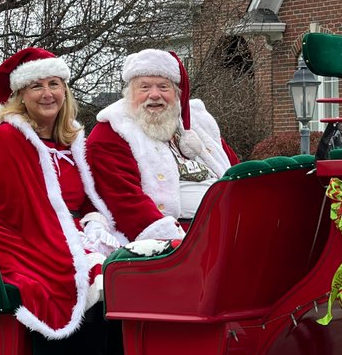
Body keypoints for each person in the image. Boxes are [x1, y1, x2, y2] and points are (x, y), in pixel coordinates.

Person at [0, 47, 127, 355]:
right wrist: (76, 243)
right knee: (94, 275)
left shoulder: (70, 140)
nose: (47, 94)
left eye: (54, 84)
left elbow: (86, 198)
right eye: (37, 86)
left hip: (63, 230)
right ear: (20, 96)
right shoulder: (7, 139)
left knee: (127, 267)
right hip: (18, 240)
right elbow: (25, 210)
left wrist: (94, 221)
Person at [86, 49, 237, 242]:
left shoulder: (198, 124)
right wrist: (177, 242)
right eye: (144, 87)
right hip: (181, 237)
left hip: (230, 223)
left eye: (163, 87)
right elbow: (125, 202)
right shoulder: (111, 133)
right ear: (129, 93)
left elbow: (236, 170)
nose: (155, 95)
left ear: (177, 94)